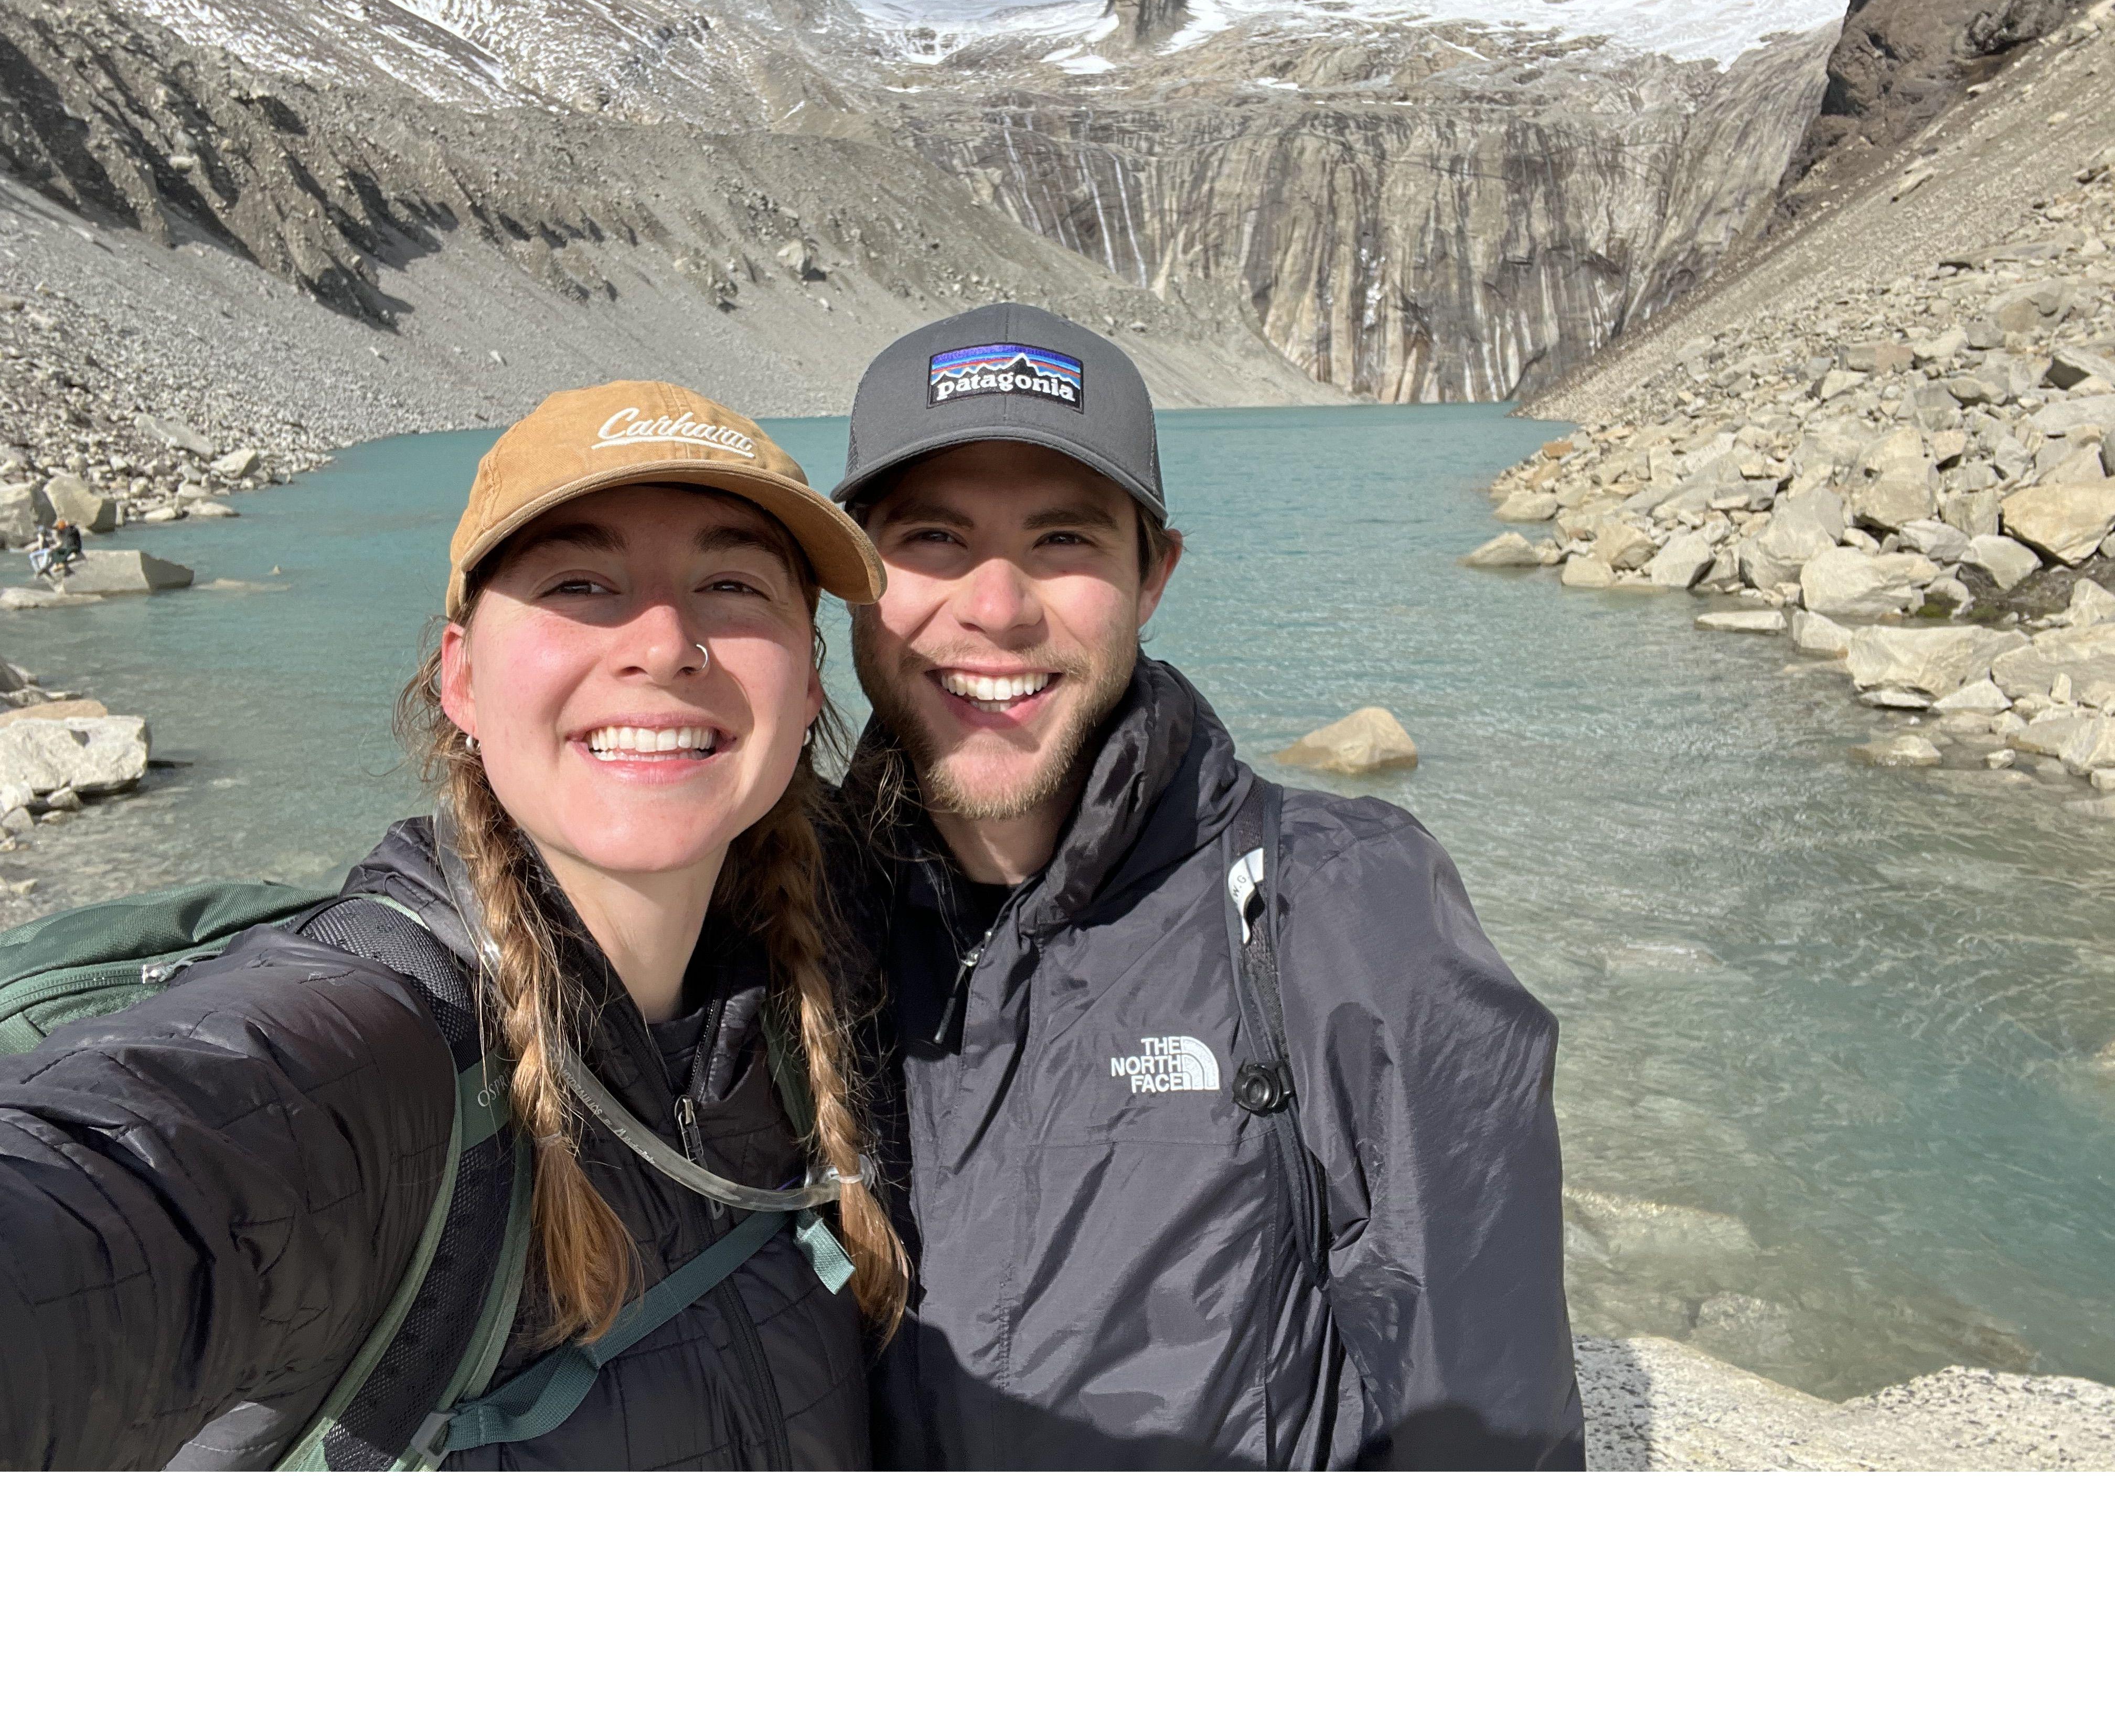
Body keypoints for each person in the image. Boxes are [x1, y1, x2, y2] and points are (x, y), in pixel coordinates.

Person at [0, 381, 904, 1470]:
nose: (665, 644)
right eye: (581, 583)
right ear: (462, 680)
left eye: (730, 584)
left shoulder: (796, 1013)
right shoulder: (368, 1059)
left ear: (810, 684)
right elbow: (120, 1195)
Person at [828, 305, 1584, 1470]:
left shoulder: (1346, 912)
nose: (994, 607)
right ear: (853, 580)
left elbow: (1483, 1425)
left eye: (1064, 542)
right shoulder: (785, 915)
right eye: (931, 537)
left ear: (1154, 576)